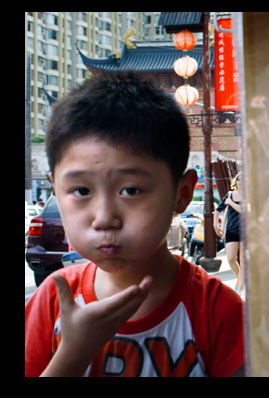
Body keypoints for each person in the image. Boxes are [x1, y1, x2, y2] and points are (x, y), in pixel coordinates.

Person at [24, 73, 245, 377]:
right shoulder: (51, 303)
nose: (103, 218)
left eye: (131, 190)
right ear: (56, 190)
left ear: (181, 194)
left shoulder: (217, 310)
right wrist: (72, 356)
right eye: (81, 191)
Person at [214, 172, 244, 294]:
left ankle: (241, 285)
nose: (241, 181)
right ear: (236, 182)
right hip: (231, 231)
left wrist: (231, 203)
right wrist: (215, 224)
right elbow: (217, 210)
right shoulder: (230, 194)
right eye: (239, 179)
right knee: (231, 258)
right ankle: (240, 278)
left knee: (243, 260)